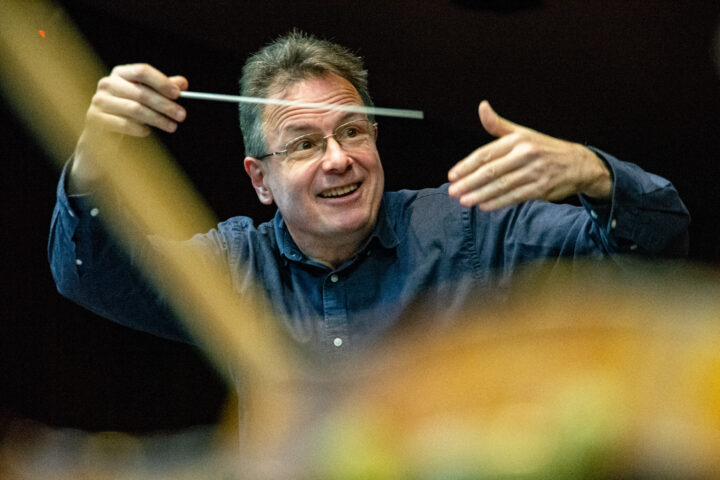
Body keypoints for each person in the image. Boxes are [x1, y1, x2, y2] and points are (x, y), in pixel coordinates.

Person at [49, 31, 690, 355]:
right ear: (260, 180)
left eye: (353, 130)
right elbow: (89, 275)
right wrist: (95, 153)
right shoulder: (236, 266)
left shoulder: (468, 226)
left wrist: (594, 174)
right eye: (304, 144)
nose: (339, 159)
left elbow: (655, 250)